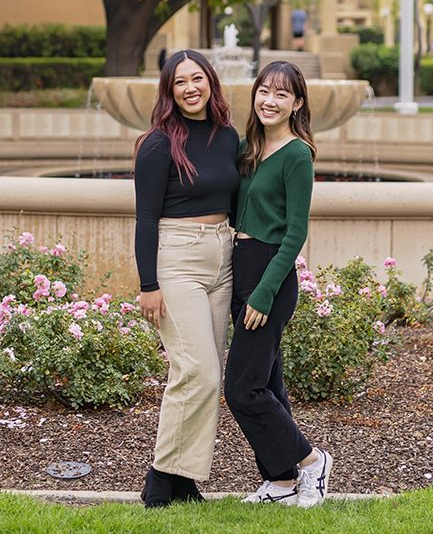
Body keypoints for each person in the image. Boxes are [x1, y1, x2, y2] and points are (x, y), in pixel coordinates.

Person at [134, 50, 240, 507]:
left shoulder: (227, 136)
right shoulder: (158, 144)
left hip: (224, 256)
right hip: (177, 258)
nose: (190, 88)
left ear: (210, 83)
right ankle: (160, 477)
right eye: (180, 82)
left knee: (210, 375)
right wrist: (147, 285)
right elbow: (144, 219)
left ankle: (184, 479)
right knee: (195, 369)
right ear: (169, 91)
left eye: (197, 78)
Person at [224, 61, 333, 507]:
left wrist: (264, 292)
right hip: (242, 263)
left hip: (271, 273)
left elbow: (295, 232)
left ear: (297, 103)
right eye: (264, 91)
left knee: (243, 388)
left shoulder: (297, 154)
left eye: (282, 94)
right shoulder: (248, 149)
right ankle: (281, 481)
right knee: (268, 381)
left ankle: (311, 462)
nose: (270, 100)